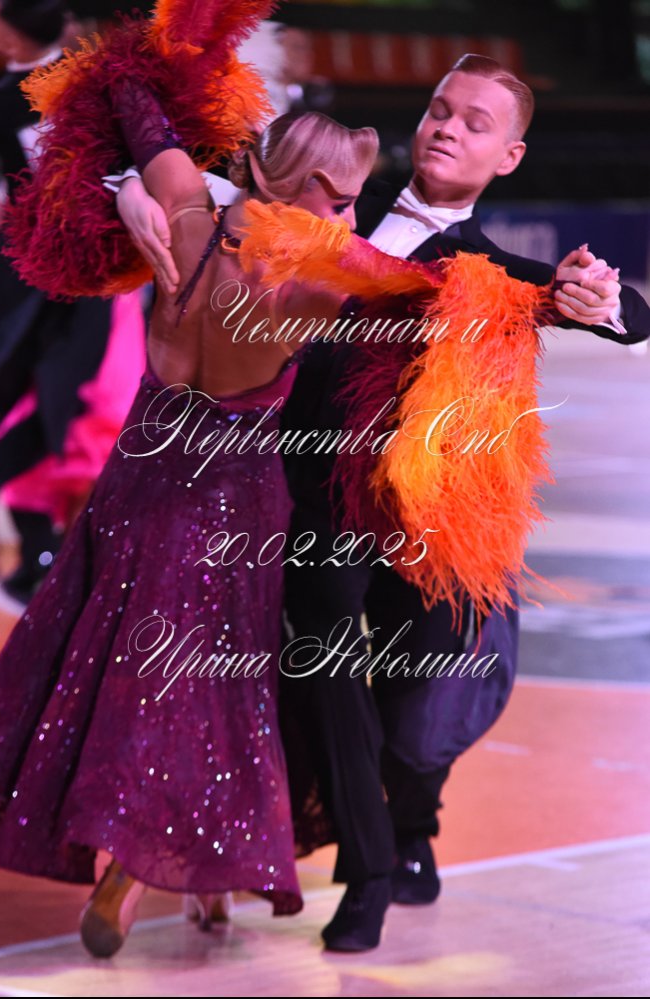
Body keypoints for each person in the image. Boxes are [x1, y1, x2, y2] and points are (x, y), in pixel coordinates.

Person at [118, 53, 650, 953]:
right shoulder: (334, 210)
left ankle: (412, 825)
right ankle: (365, 875)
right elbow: (208, 189)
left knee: (415, 710)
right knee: (322, 678)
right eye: (441, 109)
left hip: (423, 515)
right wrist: (131, 184)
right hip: (310, 497)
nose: (448, 127)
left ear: (509, 158)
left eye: (475, 122)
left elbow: (629, 316)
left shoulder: (491, 270)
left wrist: (598, 300)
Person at [0, 51, 380, 958]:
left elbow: (127, 91)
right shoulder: (327, 278)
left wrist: (136, 175)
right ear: (316, 192)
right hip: (232, 502)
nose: (349, 217)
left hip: (139, 479)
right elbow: (443, 296)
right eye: (344, 200)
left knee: (106, 658)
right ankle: (148, 868)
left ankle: (192, 878)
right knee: (209, 689)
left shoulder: (187, 209)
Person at [0, 0, 136, 608]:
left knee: (57, 408)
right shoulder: (92, 89)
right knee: (68, 409)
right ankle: (46, 561)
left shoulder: (14, 102)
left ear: (9, 31)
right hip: (90, 280)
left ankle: (48, 562)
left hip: (45, 281)